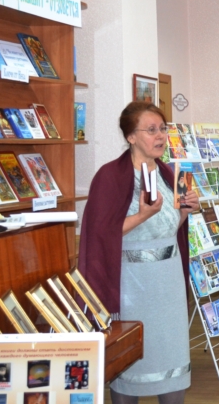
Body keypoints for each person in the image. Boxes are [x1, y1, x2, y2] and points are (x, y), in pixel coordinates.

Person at [79, 101, 197, 404]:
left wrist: (185, 211)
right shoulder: (110, 176)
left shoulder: (170, 171)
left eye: (163, 129)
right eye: (151, 130)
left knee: (170, 356)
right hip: (133, 284)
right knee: (131, 360)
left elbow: (170, 228)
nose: (160, 136)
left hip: (167, 281)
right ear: (131, 137)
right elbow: (100, 232)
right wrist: (143, 214)